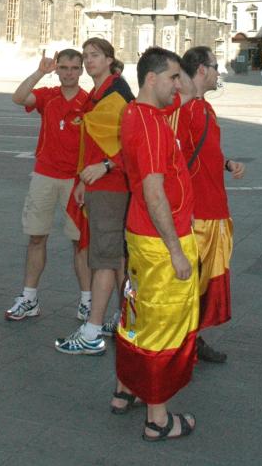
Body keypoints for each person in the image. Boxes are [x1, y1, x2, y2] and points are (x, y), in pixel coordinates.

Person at [113, 46, 199, 441]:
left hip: (142, 234)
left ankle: (126, 389)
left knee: (136, 314)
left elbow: (185, 97)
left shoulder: (140, 112)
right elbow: (153, 191)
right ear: (151, 79)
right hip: (160, 240)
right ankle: (158, 417)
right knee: (163, 324)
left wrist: (190, 84)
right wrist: (176, 250)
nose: (178, 85)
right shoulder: (147, 123)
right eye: (173, 77)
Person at [54, 37, 134, 355]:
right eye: (86, 56)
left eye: (95, 56)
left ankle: (92, 331)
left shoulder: (117, 94)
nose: (89, 61)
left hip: (113, 187)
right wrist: (86, 179)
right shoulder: (100, 94)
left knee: (104, 258)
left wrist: (104, 166)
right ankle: (123, 319)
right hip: (102, 185)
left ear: (110, 59)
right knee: (114, 258)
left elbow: (132, 143)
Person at [5, 50, 91, 321]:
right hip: (44, 175)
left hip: (75, 180)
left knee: (80, 243)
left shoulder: (89, 101)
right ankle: (29, 297)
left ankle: (87, 301)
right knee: (36, 237)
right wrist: (40, 71)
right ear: (57, 69)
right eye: (63, 67)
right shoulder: (48, 95)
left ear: (81, 71)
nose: (68, 73)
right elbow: (18, 97)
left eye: (74, 68)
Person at [176, 46, 245, 363]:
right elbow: (175, 162)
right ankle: (183, 342)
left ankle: (193, 337)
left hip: (213, 206)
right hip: (199, 212)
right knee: (194, 283)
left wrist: (226, 162)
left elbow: (202, 152)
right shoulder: (185, 109)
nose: (219, 73)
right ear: (202, 70)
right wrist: (185, 210)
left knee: (202, 282)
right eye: (216, 67)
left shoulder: (203, 108)